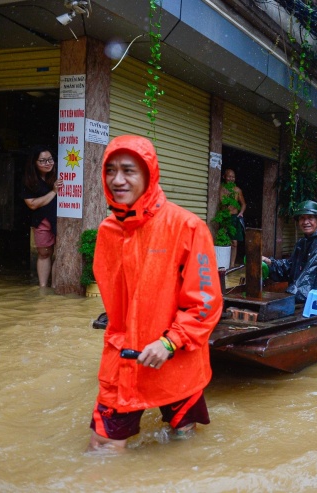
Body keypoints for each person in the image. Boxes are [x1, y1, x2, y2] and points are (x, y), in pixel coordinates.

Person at [88, 135, 222, 451]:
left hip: (174, 359)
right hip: (124, 357)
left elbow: (205, 302)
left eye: (128, 170)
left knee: (183, 438)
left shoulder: (187, 227)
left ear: (149, 173)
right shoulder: (107, 230)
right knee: (102, 447)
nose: (117, 180)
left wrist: (169, 342)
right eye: (110, 170)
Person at [262, 200, 317, 303]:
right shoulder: (303, 242)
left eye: (310, 218)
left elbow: (312, 274)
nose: (305, 222)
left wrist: (286, 298)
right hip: (313, 298)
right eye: (302, 218)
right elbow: (290, 267)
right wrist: (270, 264)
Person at [22, 145, 63, 287]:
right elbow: (32, 204)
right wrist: (53, 192)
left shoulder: (61, 172)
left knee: (61, 253)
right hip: (42, 221)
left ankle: (55, 287)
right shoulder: (29, 181)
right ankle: (43, 289)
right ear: (34, 163)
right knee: (44, 254)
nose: (48, 163)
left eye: (50, 159)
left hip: (61, 219)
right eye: (43, 161)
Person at [219, 168, 246, 267]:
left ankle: (232, 264)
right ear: (224, 177)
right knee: (224, 240)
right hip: (224, 217)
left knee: (234, 242)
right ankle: (223, 264)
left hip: (234, 217)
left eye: (233, 177)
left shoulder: (237, 190)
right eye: (229, 176)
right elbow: (222, 202)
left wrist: (241, 213)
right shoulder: (221, 188)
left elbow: (243, 204)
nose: (231, 178)